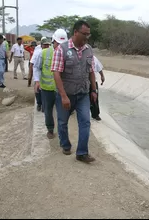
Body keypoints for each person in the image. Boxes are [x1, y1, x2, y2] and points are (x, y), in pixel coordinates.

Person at [52, 20, 97, 163]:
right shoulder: (62, 49)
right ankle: (65, 144)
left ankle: (82, 153)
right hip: (66, 94)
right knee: (62, 122)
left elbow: (91, 71)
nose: (87, 37)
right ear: (76, 32)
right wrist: (64, 96)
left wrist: (94, 90)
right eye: (84, 34)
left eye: (88, 35)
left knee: (85, 122)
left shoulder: (89, 50)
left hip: (83, 94)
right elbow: (56, 74)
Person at [33, 29, 68, 139]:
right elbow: (37, 68)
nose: (60, 46)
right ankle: (50, 129)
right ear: (53, 41)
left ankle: (63, 135)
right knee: (48, 110)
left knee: (62, 113)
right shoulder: (43, 53)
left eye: (63, 44)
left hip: (61, 90)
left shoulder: (67, 53)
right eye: (58, 43)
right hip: (47, 89)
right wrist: (37, 81)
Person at [30, 38, 48, 112]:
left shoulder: (50, 52)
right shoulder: (38, 52)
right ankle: (39, 104)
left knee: (44, 91)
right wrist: (35, 78)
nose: (47, 46)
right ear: (41, 45)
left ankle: (44, 105)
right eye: (45, 45)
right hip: (38, 74)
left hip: (46, 76)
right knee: (38, 90)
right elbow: (33, 65)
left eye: (48, 45)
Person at [90, 55, 105, 121]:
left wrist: (102, 76)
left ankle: (96, 115)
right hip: (83, 83)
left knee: (95, 99)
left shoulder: (94, 58)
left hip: (93, 82)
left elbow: (99, 68)